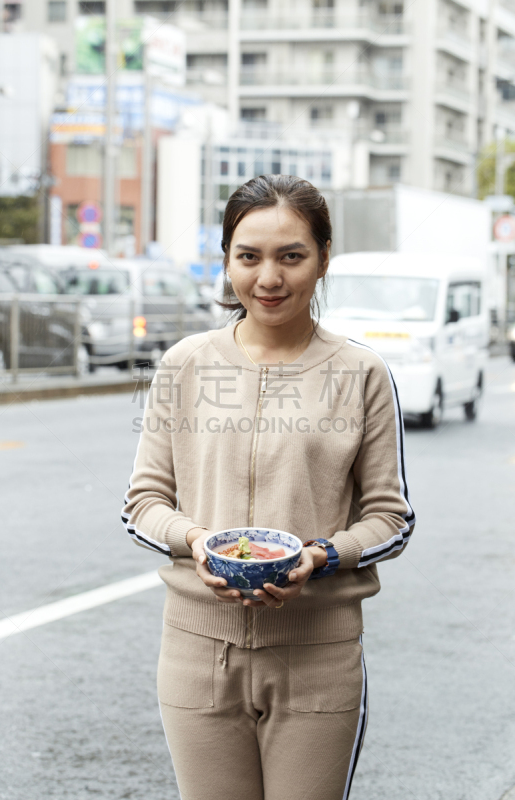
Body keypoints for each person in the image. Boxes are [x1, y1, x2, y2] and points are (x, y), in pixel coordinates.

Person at [121, 174, 415, 800]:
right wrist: (196, 539)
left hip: (319, 654)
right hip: (197, 652)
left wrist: (322, 556)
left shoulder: (362, 373)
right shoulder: (184, 365)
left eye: (292, 256)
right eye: (248, 257)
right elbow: (143, 503)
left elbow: (391, 517)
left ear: (325, 257)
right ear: (226, 259)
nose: (269, 279)